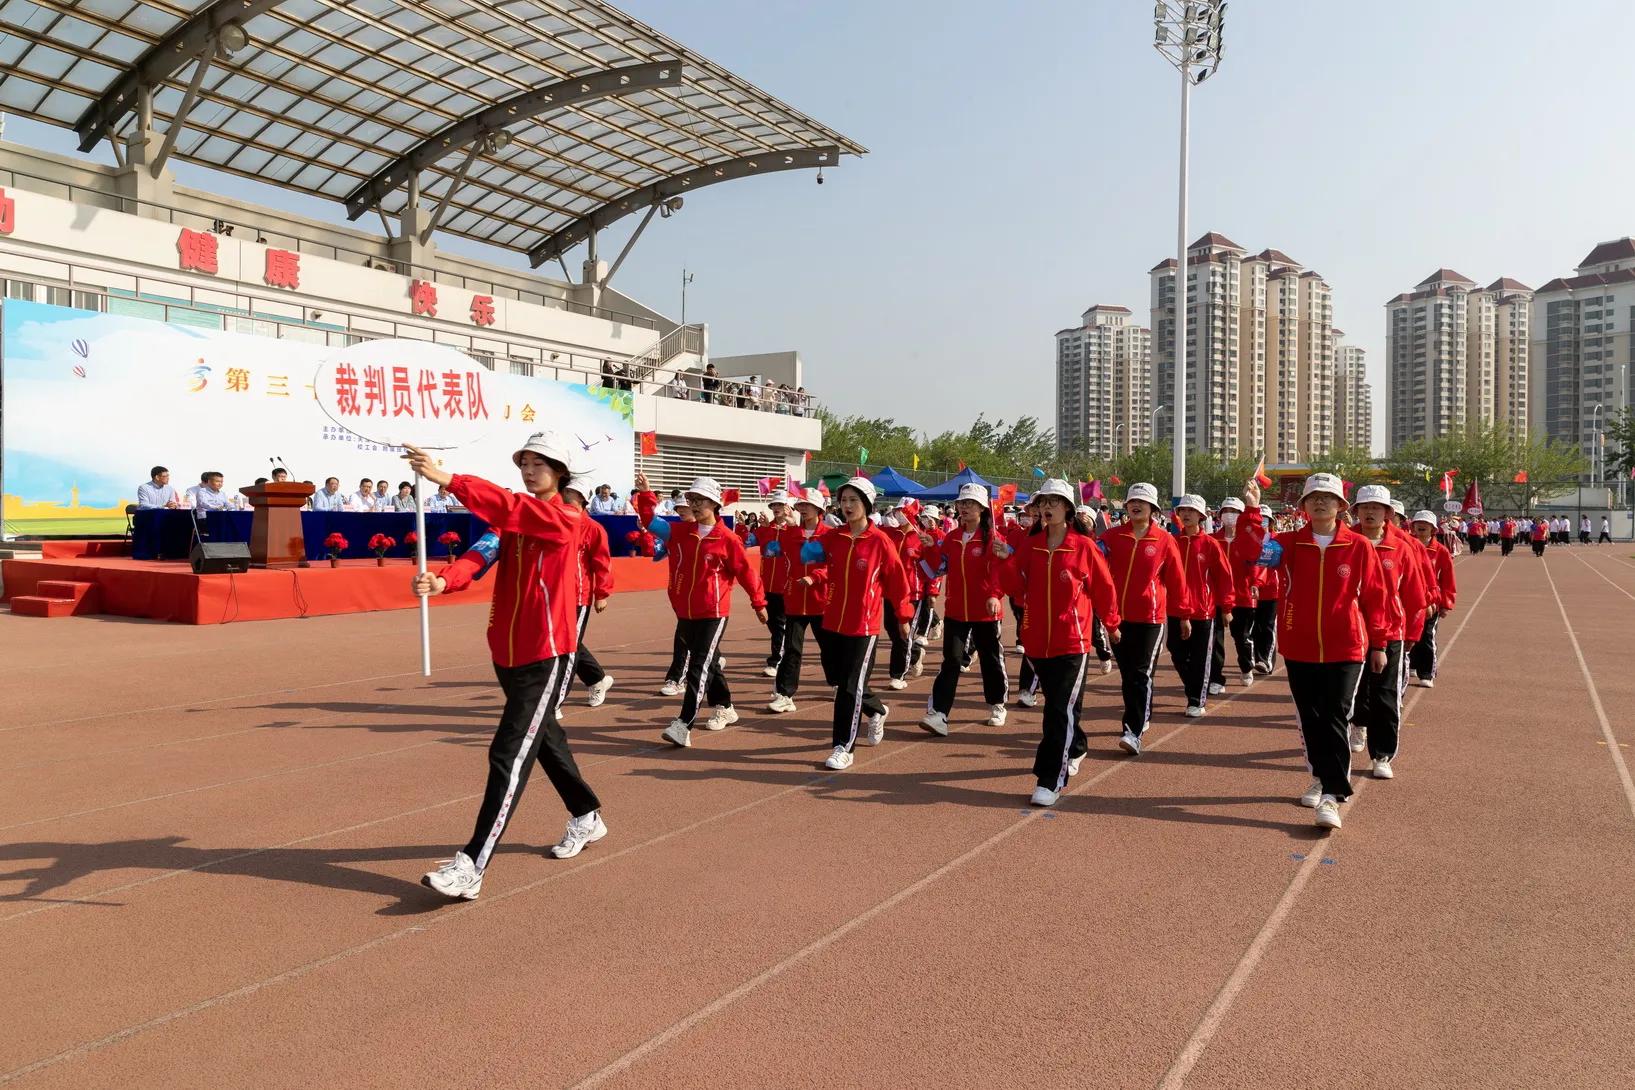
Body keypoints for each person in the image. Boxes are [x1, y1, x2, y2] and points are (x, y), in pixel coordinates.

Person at [404, 432, 607, 900]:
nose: (530, 470)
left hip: (546, 652)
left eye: (540, 463)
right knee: (547, 742)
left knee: (508, 754)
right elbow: (482, 553)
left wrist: (451, 479)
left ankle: (472, 865)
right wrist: (444, 580)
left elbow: (512, 509)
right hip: (507, 651)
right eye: (526, 462)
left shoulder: (565, 518)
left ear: (560, 472)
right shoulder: (513, 521)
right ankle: (586, 815)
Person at [1232, 474, 1390, 832]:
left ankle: (1332, 794)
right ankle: (1321, 776)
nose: (1320, 502)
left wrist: (1379, 642)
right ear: (1303, 506)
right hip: (1299, 645)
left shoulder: (1358, 546)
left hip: (1346, 645)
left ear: (1340, 506)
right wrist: (1253, 510)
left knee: (1335, 714)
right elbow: (1247, 555)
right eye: (1313, 497)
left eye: (1328, 497)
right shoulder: (1287, 544)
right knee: (1311, 716)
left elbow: (1374, 597)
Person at [994, 479, 1121, 806]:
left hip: (1072, 641)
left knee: (1057, 712)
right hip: (1037, 640)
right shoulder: (1030, 546)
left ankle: (1049, 779)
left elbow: (1104, 588)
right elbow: (1015, 589)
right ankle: (1076, 746)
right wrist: (1005, 560)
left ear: (1067, 508)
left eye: (1054, 501)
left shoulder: (1083, 547)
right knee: (1061, 708)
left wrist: (1112, 624)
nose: (1046, 507)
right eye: (1043, 502)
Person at [803, 476, 913, 770]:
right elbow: (811, 554)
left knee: (849, 688)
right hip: (833, 620)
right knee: (840, 679)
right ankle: (877, 710)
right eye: (844, 500)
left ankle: (843, 746)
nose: (847, 506)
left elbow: (897, 581)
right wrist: (806, 535)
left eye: (853, 500)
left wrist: (903, 616)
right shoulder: (834, 537)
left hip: (864, 625)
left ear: (866, 504)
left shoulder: (880, 542)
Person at [659, 477, 768, 748]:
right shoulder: (682, 532)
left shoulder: (728, 539)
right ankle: (726, 705)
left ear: (715, 504)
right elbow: (650, 522)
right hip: (685, 610)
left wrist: (759, 602)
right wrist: (648, 494)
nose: (694, 505)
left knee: (698, 666)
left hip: (714, 611)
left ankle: (683, 724)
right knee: (707, 661)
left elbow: (746, 572)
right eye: (692, 500)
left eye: (701, 501)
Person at [1098, 482, 1191, 755]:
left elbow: (1176, 580)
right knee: (1129, 674)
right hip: (1118, 617)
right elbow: (1094, 562)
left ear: (1152, 508)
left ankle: (1133, 730)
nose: (1136, 505)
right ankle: (1142, 714)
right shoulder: (1112, 537)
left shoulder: (1164, 540)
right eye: (1131, 502)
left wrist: (1184, 615)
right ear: (1126, 506)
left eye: (1142, 502)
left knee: (1140, 674)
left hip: (1150, 619)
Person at [1346, 486, 1430, 780]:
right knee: (1354, 692)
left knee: (1385, 694)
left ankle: (1382, 754)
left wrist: (1411, 634)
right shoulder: (1345, 542)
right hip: (1351, 630)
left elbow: (1414, 596)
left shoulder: (1401, 547)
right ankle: (1359, 726)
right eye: (1364, 507)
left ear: (1388, 514)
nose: (1370, 512)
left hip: (1391, 632)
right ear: (1355, 511)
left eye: (1377, 507)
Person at [918, 482, 1010, 736]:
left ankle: (997, 703)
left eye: (970, 503)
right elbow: (938, 568)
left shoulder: (993, 538)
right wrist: (928, 548)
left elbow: (1001, 570)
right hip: (957, 610)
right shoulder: (952, 538)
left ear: (982, 508)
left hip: (986, 611)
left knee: (991, 660)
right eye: (962, 503)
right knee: (952, 660)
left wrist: (994, 595)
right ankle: (939, 713)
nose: (965, 507)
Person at [766, 487, 831, 714]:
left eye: (808, 505)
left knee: (829, 648)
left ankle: (840, 683)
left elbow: (832, 567)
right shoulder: (790, 533)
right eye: (800, 505)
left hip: (820, 601)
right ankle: (785, 694)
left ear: (819, 509)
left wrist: (815, 577)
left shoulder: (828, 535)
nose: (803, 509)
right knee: (792, 649)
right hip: (794, 600)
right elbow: (773, 549)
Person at [1169, 495, 1234, 718]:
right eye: (1182, 510)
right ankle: (1195, 686)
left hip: (1203, 610)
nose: (1186, 514)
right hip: (1175, 609)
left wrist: (1226, 607)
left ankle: (1196, 699)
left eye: (1191, 510)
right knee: (1176, 653)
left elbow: (1224, 577)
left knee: (1200, 657)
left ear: (1200, 516)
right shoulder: (1173, 543)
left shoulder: (1210, 545)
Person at [558, 472, 616, 710]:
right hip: (553, 593)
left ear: (581, 497)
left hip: (577, 595)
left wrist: (602, 593)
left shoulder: (593, 528)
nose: (564, 496)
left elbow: (602, 563)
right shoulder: (555, 521)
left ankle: (554, 702)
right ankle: (597, 679)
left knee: (568, 646)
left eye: (569, 493)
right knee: (564, 642)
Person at [1211, 496, 1260, 691]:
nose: (1230, 515)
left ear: (1242, 516)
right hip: (1217, 597)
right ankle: (1215, 677)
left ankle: (1246, 667)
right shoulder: (1213, 540)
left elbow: (1256, 561)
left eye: (1235, 512)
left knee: (1242, 637)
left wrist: (1256, 582)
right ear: (1221, 515)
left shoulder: (1247, 540)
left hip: (1243, 596)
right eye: (1226, 511)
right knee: (1215, 640)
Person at [1407, 510, 1456, 687]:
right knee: (1409, 634)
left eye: (1426, 524)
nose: (1421, 527)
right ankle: (1412, 664)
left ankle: (1427, 673)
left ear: (1433, 528)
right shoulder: (1406, 545)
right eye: (1418, 523)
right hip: (1409, 599)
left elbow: (1448, 578)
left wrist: (1446, 603)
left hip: (1430, 602)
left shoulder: (1441, 551)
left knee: (1427, 635)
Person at [882, 504, 926, 690]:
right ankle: (915, 652)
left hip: (913, 592)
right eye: (897, 511)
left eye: (903, 511)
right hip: (890, 591)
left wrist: (932, 592)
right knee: (891, 628)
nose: (899, 514)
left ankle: (898, 674)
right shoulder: (891, 534)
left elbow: (932, 566)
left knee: (904, 632)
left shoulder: (921, 536)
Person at [754, 491, 796, 680]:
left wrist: (792, 525)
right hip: (766, 584)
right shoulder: (768, 529)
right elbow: (761, 549)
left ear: (788, 507)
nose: (776, 508)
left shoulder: (794, 530)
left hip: (784, 586)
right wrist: (760, 528)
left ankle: (776, 660)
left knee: (779, 624)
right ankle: (785, 651)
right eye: (774, 505)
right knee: (772, 622)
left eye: (780, 504)